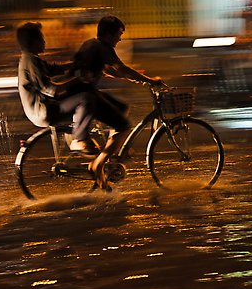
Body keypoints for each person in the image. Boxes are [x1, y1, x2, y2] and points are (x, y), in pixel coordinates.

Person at [72, 14, 164, 190]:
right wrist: (150, 80)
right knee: (124, 126)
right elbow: (121, 69)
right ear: (108, 34)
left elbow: (111, 70)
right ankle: (99, 163)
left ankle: (112, 149)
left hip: (84, 93)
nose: (120, 39)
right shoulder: (102, 47)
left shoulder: (93, 44)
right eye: (118, 34)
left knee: (122, 107)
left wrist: (136, 78)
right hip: (86, 96)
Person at [16, 21, 98, 154]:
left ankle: (76, 130)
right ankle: (79, 138)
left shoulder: (30, 59)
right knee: (86, 99)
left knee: (81, 91)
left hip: (42, 109)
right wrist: (78, 79)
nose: (44, 41)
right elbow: (52, 90)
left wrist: (76, 65)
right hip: (44, 111)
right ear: (33, 42)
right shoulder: (30, 61)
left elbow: (53, 69)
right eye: (41, 38)